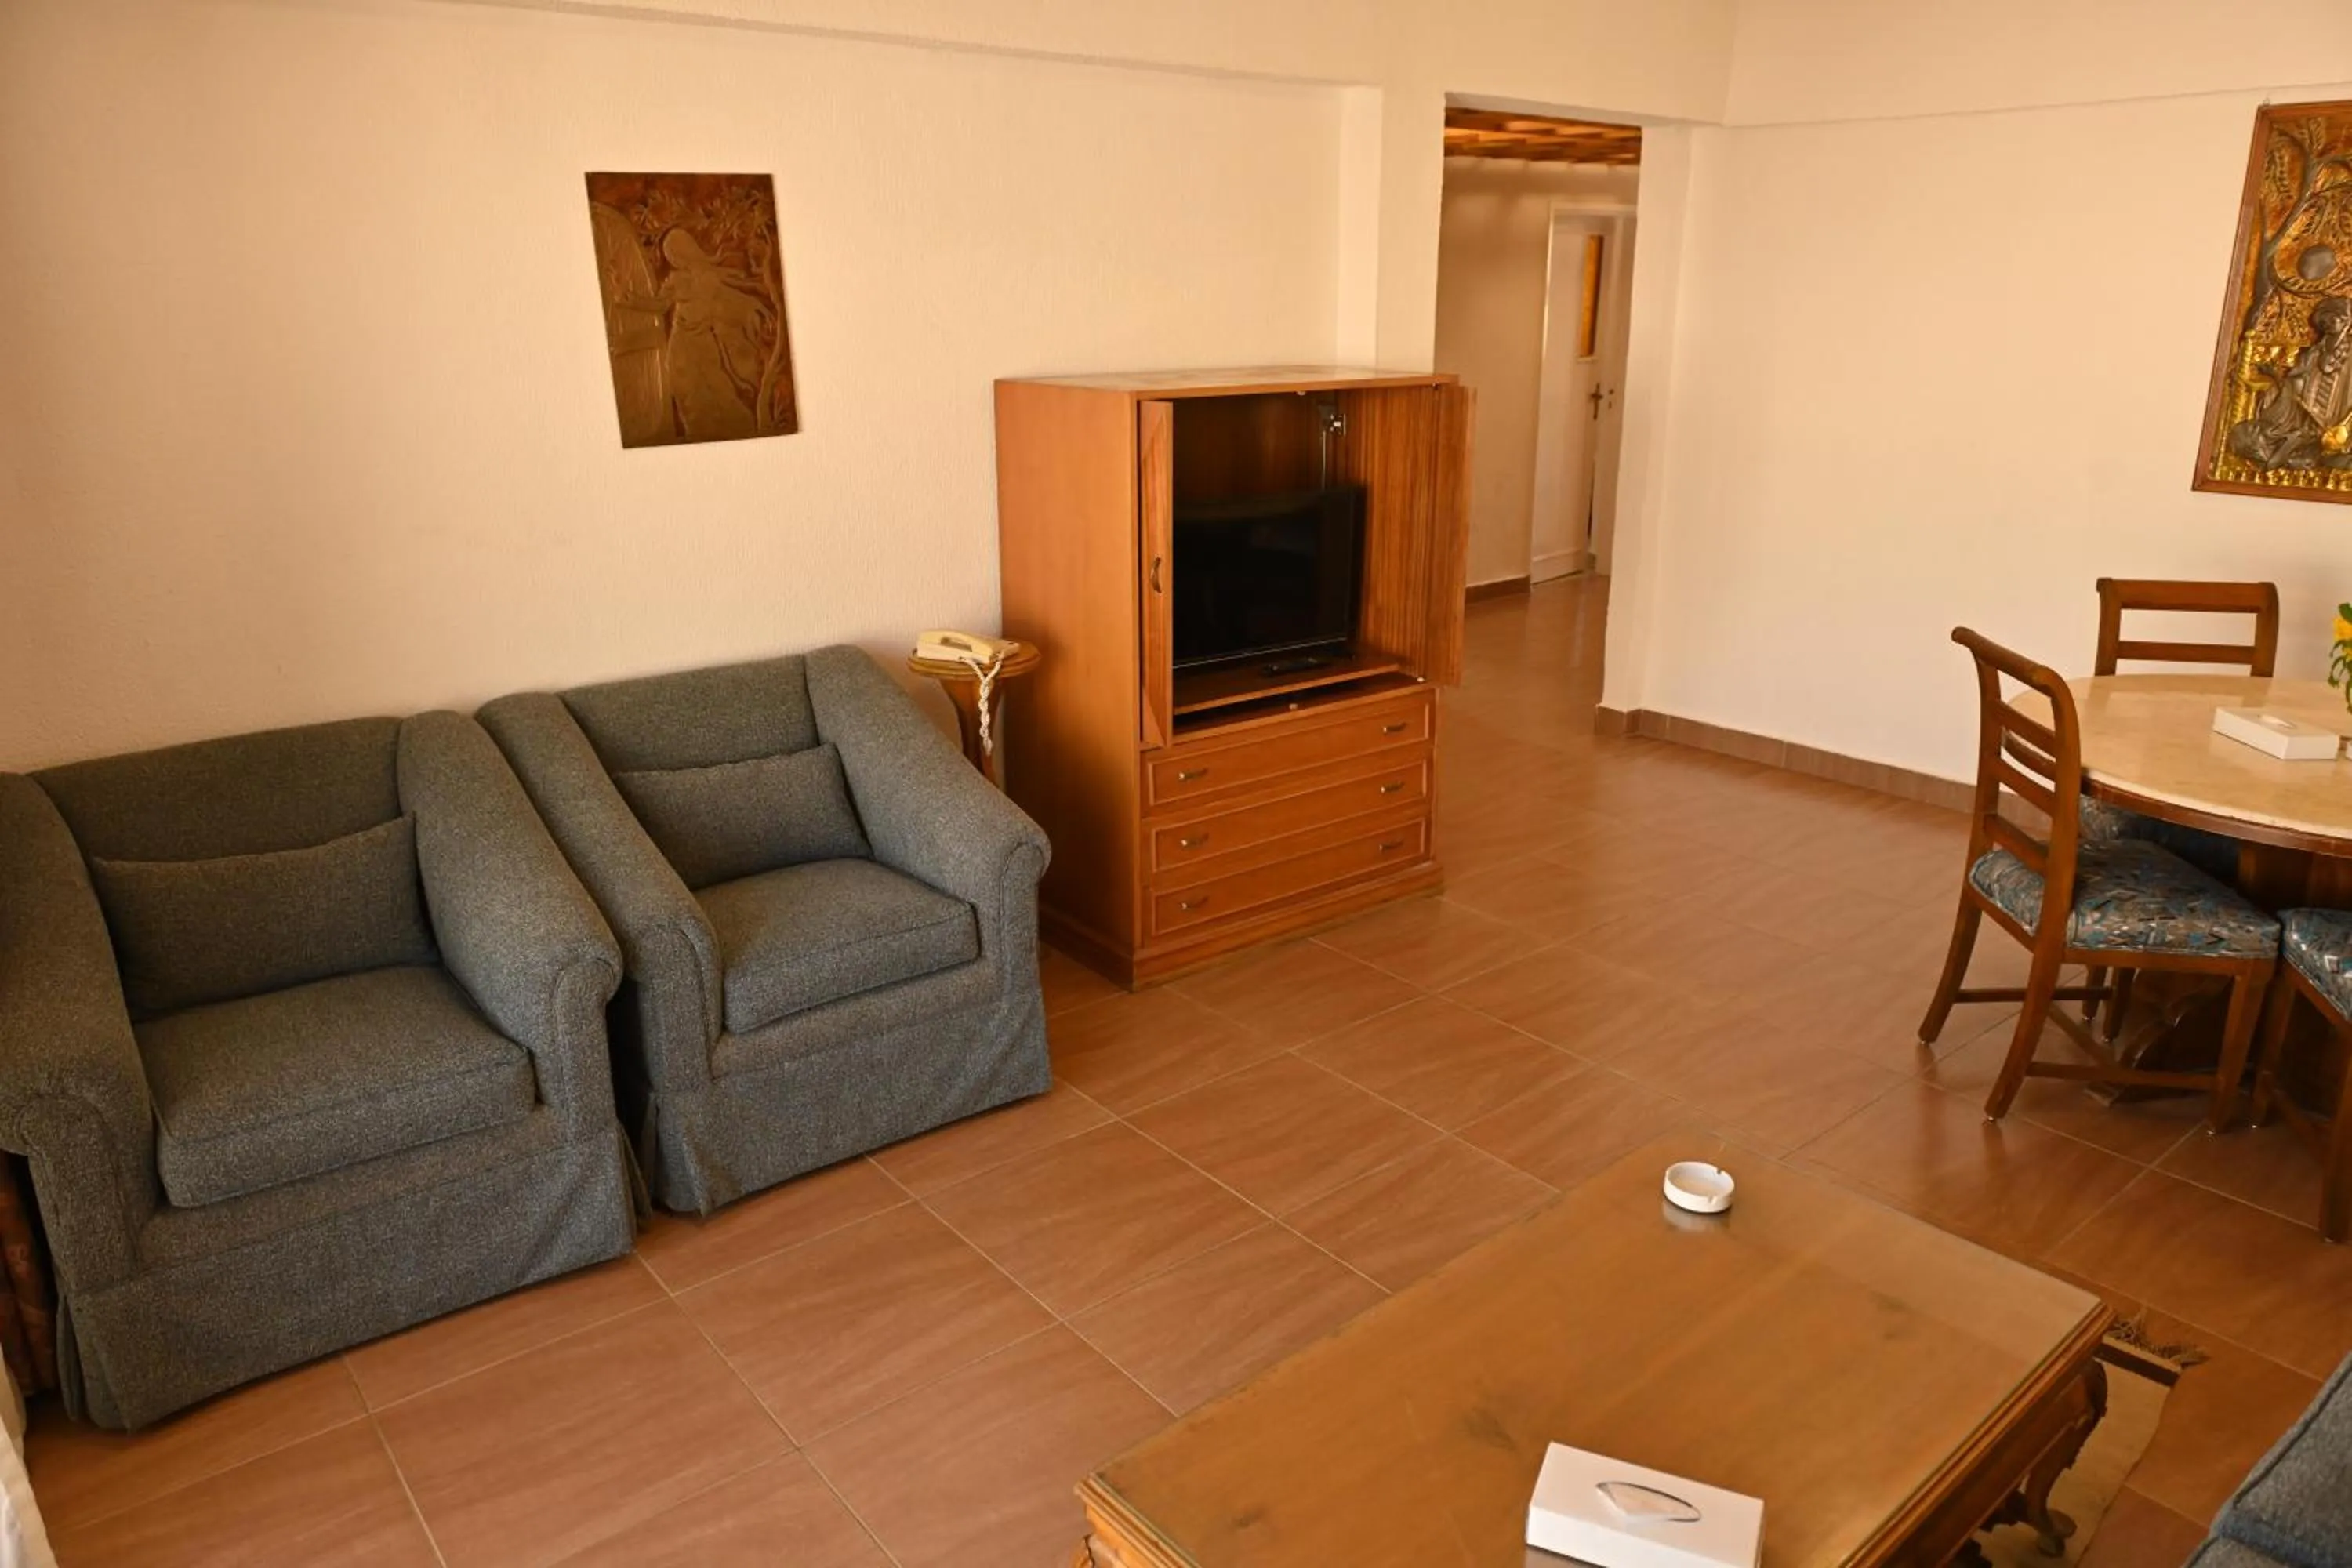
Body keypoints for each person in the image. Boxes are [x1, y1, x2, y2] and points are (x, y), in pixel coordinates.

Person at [2229, 294, 2352, 470]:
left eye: (2332, 320)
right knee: (2293, 387)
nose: (2327, 326)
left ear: (2345, 320)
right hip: (2308, 409)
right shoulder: (2317, 350)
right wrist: (2278, 377)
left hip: (2341, 410)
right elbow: (2298, 374)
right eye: (2323, 323)